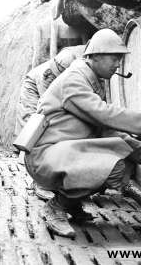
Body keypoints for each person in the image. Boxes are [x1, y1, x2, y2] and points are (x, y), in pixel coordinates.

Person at [24, 29, 141, 237]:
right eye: (114, 58)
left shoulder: (90, 78)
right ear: (95, 56)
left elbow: (108, 130)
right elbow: (108, 116)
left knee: (111, 155)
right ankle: (57, 206)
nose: (118, 64)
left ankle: (72, 205)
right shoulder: (75, 80)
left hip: (61, 150)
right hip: (45, 156)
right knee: (112, 168)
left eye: (119, 59)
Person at [14, 46, 83, 200]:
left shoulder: (73, 62)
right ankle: (38, 181)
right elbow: (47, 106)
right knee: (36, 130)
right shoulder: (48, 75)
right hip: (33, 91)